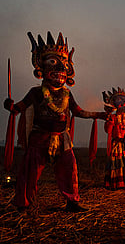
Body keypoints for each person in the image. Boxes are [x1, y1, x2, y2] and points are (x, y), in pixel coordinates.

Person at [3, 31, 107, 212]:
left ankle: (72, 202)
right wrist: (10, 106)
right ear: (41, 67)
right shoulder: (35, 93)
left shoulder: (67, 94)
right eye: (53, 63)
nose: (60, 69)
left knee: (69, 169)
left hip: (62, 139)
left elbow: (78, 112)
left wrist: (99, 115)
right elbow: (18, 108)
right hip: (39, 138)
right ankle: (23, 203)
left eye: (64, 65)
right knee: (30, 171)